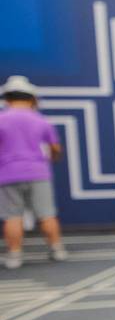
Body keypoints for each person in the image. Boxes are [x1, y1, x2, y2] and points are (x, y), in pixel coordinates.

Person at [0, 75, 68, 269]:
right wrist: (51, 159)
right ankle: (57, 249)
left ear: (7, 98)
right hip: (38, 172)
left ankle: (14, 255)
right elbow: (55, 148)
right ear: (31, 98)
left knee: (12, 216)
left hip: (7, 173)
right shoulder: (40, 120)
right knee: (46, 214)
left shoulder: (2, 119)